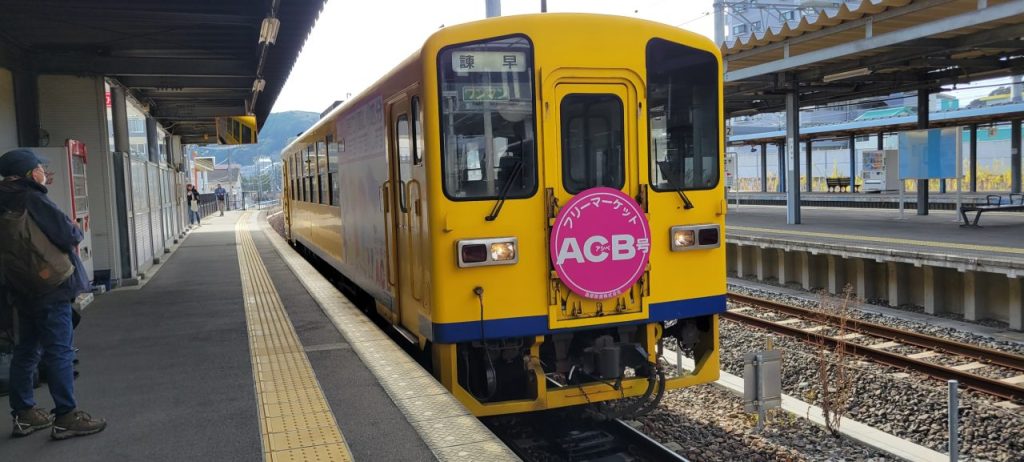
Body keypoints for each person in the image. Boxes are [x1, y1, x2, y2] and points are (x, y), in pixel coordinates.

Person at [0, 148, 106, 439]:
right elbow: (69, 234)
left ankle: (24, 415)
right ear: (28, 172)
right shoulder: (32, 197)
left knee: (26, 350)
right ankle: (66, 416)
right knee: (59, 350)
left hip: (21, 288)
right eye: (39, 168)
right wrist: (73, 228)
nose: (43, 173)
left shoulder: (4, 199)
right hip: (51, 286)